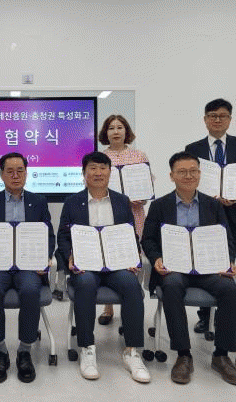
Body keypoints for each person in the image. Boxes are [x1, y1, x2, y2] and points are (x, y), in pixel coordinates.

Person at [141, 151, 236, 385]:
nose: (188, 176)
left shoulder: (213, 205)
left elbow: (226, 238)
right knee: (172, 286)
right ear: (172, 176)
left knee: (231, 290)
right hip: (175, 268)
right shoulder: (159, 206)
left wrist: (228, 260)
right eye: (182, 172)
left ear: (199, 173)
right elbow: (148, 239)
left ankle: (221, 355)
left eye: (193, 171)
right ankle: (183, 355)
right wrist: (156, 258)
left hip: (208, 268)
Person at [57, 152, 150, 383]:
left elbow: (130, 233)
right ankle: (87, 348)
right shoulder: (72, 202)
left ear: (110, 172)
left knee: (131, 285)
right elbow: (63, 236)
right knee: (85, 284)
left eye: (103, 168)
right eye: (93, 168)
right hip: (86, 265)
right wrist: (69, 256)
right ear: (84, 173)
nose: (98, 173)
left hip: (116, 265)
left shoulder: (121, 201)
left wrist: (133, 257)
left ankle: (132, 351)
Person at [0, 153, 56, 384]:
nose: (15, 176)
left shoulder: (39, 201)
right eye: (10, 171)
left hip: (28, 265)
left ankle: (25, 351)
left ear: (27, 173)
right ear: (1, 174)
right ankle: (0, 351)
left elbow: (48, 235)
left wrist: (45, 258)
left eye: (20, 171)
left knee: (30, 290)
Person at [185, 98, 236, 339]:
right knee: (204, 267)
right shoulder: (193, 148)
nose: (217, 119)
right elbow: (187, 180)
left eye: (222, 116)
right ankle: (205, 317)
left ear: (230, 119)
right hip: (205, 218)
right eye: (212, 115)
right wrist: (210, 198)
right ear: (205, 119)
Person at [97, 114, 152, 325]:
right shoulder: (99, 158)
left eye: (120, 127)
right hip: (107, 215)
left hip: (134, 214)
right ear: (106, 133)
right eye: (111, 128)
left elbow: (147, 187)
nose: (116, 131)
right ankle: (108, 307)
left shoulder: (139, 156)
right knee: (108, 257)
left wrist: (142, 196)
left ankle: (129, 309)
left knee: (131, 259)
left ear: (126, 131)